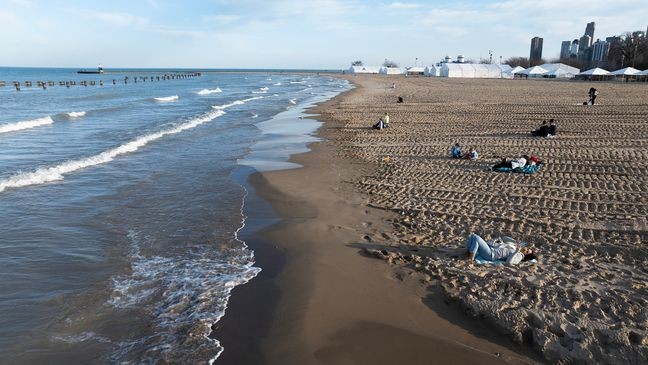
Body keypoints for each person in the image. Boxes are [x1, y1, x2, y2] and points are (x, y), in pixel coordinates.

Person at [465, 233, 536, 265]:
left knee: (476, 238)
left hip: (490, 254)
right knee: (473, 236)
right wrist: (515, 242)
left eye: (527, 252)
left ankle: (470, 259)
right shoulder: (516, 246)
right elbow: (504, 237)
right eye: (527, 249)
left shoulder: (519, 256)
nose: (525, 250)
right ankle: (469, 252)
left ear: (525, 255)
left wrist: (515, 252)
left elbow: (509, 262)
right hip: (491, 248)